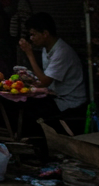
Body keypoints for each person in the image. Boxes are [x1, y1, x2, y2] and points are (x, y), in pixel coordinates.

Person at [18, 12, 90, 149]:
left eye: (33, 34)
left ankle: (39, 148)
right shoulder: (47, 49)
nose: (31, 39)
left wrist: (29, 54)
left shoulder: (61, 51)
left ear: (45, 33)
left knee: (31, 111)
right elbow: (45, 79)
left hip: (70, 101)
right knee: (25, 104)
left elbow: (45, 81)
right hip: (56, 95)